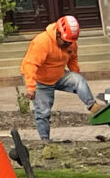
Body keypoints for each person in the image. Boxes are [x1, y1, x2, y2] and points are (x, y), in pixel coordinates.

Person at [22, 14, 96, 142]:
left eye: (71, 42)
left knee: (79, 80)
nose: (68, 45)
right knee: (43, 112)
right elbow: (30, 65)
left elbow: (72, 59)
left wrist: (75, 72)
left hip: (60, 75)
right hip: (41, 81)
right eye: (66, 42)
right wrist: (31, 87)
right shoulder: (42, 42)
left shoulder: (71, 43)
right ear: (57, 34)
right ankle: (45, 141)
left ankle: (93, 107)